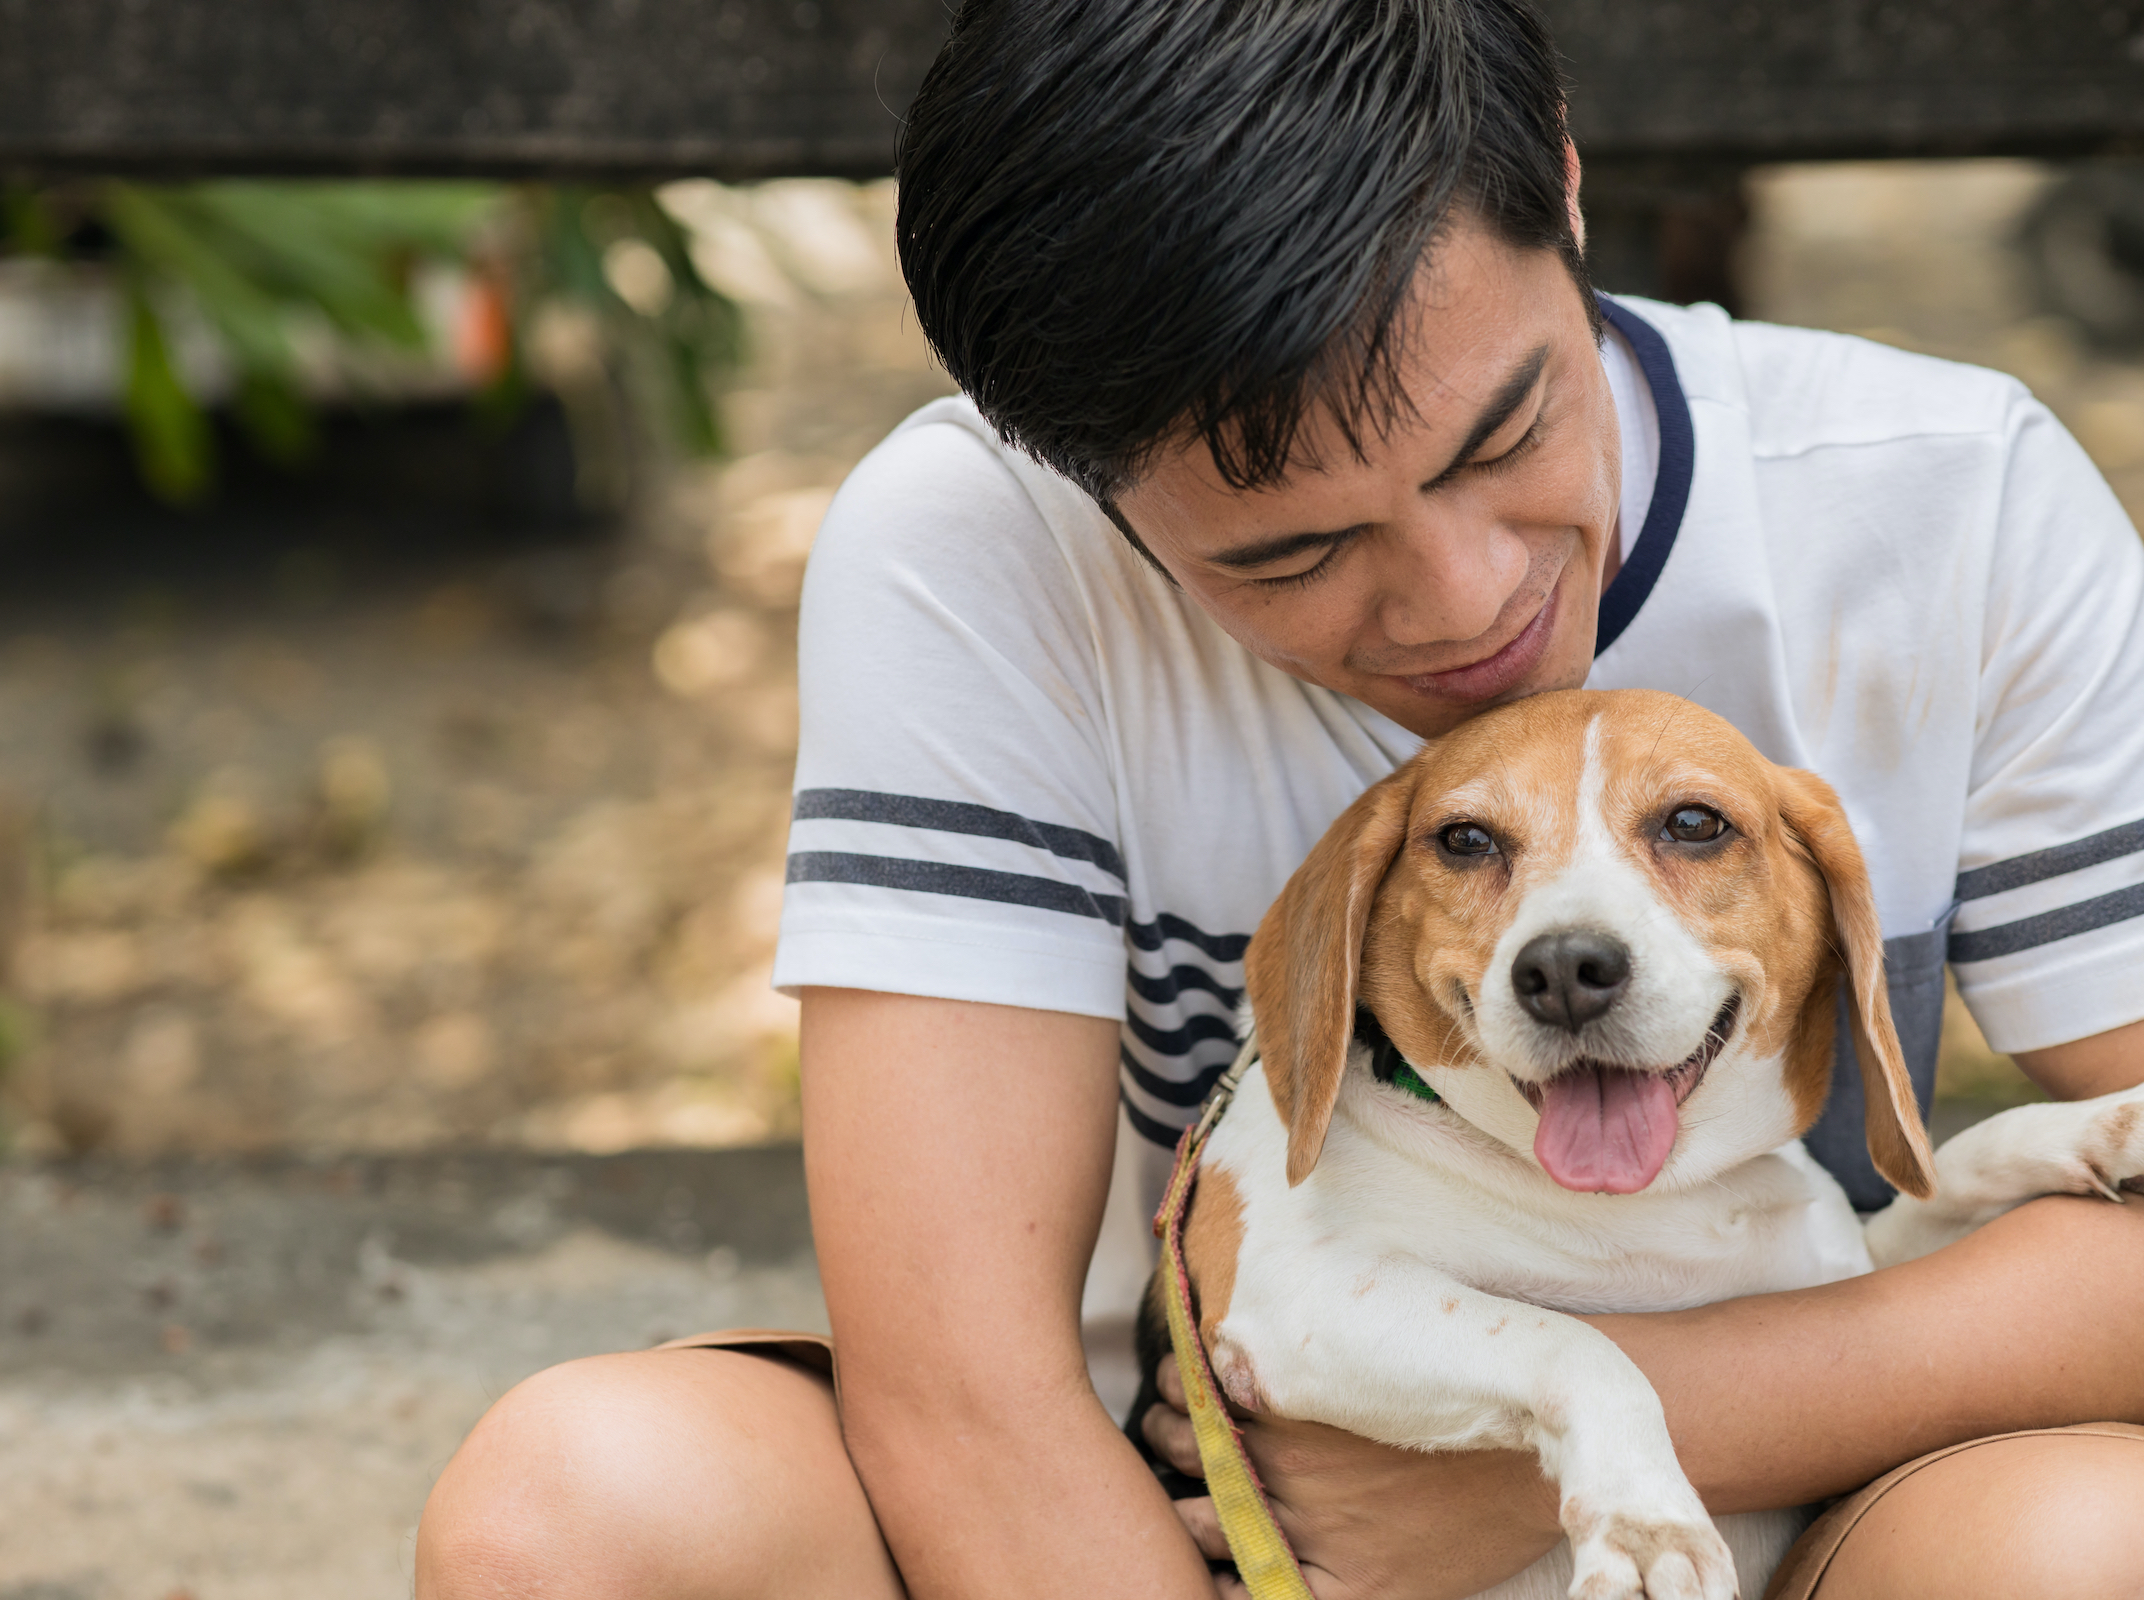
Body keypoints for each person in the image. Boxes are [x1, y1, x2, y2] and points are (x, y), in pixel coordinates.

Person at [416, 1, 2144, 1595]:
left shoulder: (1950, 503)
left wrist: (1577, 1448)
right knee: (577, 1508)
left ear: (1557, 171)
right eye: (1296, 551)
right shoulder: (975, 554)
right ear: (1071, 467)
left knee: (2089, 1545)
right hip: (1149, 1503)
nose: (1466, 599)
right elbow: (965, 1396)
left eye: (1500, 439)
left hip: (1777, 1519)